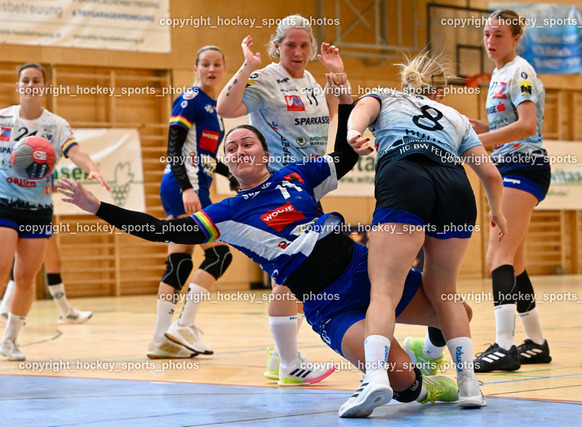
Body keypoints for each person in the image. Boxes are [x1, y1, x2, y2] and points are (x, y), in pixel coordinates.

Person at [59, 87, 461, 416]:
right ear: (229, 166)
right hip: (329, 306)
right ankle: (422, 386)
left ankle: (425, 351)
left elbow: (343, 156)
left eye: (246, 142)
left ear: (264, 154)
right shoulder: (227, 213)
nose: (238, 149)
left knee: (459, 312)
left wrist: (342, 100)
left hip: (368, 274)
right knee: (401, 383)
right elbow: (160, 230)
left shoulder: (297, 175)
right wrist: (98, 208)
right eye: (230, 149)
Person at [342, 52, 507, 414]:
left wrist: (354, 133)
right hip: (455, 188)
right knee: (445, 292)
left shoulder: (387, 95)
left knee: (384, 289)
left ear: (405, 84)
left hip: (405, 173)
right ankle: (469, 384)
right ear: (440, 93)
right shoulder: (457, 117)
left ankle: (375, 379)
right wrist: (497, 212)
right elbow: (491, 175)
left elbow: (360, 111)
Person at [216, 14, 344, 385]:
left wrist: (335, 81)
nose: (299, 52)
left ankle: (280, 357)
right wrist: (247, 65)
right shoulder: (266, 77)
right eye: (291, 45)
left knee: (298, 275)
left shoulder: (311, 81)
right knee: (289, 275)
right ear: (277, 47)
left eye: (305, 45)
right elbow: (226, 109)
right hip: (276, 187)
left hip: (308, 186)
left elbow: (326, 117)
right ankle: (288, 363)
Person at [0, 62, 110, 361]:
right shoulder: (3, 119)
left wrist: (92, 169)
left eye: (37, 80)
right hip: (4, 204)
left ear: (45, 86)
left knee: (25, 278)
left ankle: (10, 341)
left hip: (38, 209)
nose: (31, 84)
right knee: (1, 268)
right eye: (26, 80)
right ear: (19, 85)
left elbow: (76, 151)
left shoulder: (56, 125)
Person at [469, 9, 552, 372]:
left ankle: (504, 346)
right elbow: (514, 126)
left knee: (495, 256)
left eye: (499, 35)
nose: (490, 42)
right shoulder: (499, 74)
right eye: (487, 35)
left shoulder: (519, 71)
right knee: (514, 263)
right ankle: (535, 343)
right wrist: (483, 127)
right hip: (511, 164)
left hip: (524, 167)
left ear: (516, 38)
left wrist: (480, 140)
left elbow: (527, 125)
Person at [149, 46, 233, 359]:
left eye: (217, 64)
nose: (211, 69)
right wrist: (186, 188)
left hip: (199, 186)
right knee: (220, 256)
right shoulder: (190, 99)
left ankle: (160, 339)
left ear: (224, 69)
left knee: (179, 262)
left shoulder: (217, 108)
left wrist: (234, 176)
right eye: (205, 64)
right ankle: (184, 323)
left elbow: (208, 158)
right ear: (195, 68)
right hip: (185, 188)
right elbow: (173, 146)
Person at [0, 237, 93, 325]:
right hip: (25, 222)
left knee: (54, 264)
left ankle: (66, 312)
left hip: (41, 221)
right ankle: (5, 309)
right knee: (23, 265)